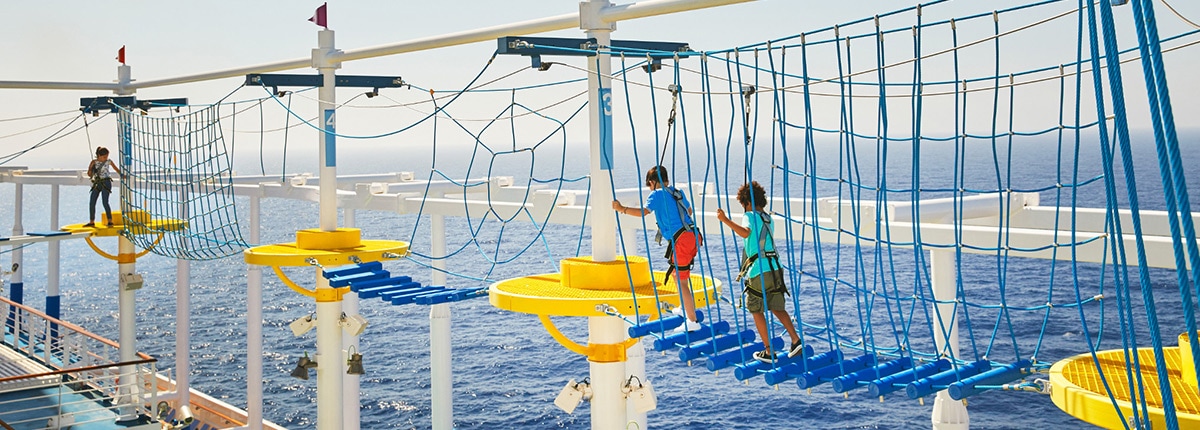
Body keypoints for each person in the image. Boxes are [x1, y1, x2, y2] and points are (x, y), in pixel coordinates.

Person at [716, 181, 803, 363]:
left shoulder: (749, 215)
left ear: (747, 203)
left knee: (756, 309)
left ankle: (769, 352)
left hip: (759, 270)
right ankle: (796, 340)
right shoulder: (767, 218)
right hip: (775, 267)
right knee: (776, 306)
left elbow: (746, 232)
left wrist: (725, 220)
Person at [612, 166, 703, 333]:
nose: (649, 188)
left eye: (649, 185)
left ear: (652, 182)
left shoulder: (656, 194)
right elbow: (688, 210)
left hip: (681, 240)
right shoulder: (677, 192)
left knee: (682, 280)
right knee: (676, 274)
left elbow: (643, 212)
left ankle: (692, 321)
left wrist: (621, 209)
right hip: (693, 236)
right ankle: (684, 308)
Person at [85, 147, 122, 228]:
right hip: (97, 183)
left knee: (105, 202)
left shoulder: (109, 161)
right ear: (99, 155)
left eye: (107, 156)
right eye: (104, 157)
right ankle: (91, 221)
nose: (106, 158)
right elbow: (89, 174)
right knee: (92, 202)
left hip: (106, 182)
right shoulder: (94, 162)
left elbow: (116, 169)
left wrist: (122, 175)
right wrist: (91, 169)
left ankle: (110, 220)